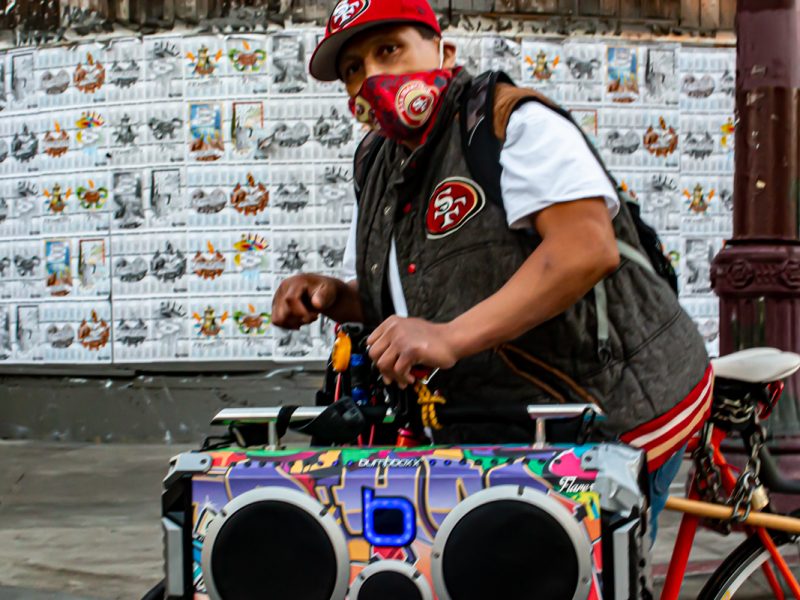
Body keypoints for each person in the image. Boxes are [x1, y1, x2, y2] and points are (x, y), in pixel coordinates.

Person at [272, 0, 712, 535]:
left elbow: (586, 248)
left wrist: (450, 337)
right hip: (501, 428)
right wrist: (330, 295)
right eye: (353, 68)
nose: (373, 76)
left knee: (577, 567)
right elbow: (403, 295)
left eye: (389, 50)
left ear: (444, 52)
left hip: (614, 412)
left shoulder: (509, 121)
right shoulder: (376, 162)